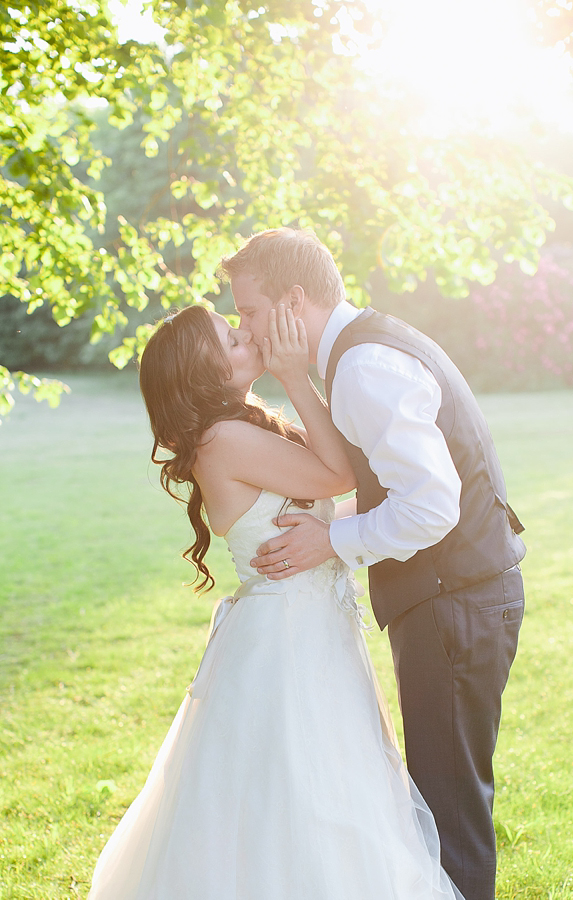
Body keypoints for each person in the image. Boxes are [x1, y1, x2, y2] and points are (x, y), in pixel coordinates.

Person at [87, 303, 462, 899]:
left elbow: (322, 508)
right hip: (285, 643)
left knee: (329, 786)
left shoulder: (239, 429)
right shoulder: (224, 439)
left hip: (310, 631)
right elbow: (338, 475)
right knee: (297, 792)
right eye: (230, 340)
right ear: (204, 373)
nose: (246, 336)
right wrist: (294, 375)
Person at [220, 227, 526, 900]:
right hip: (458, 598)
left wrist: (334, 541)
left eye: (248, 312)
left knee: (450, 817)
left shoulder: (364, 369)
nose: (244, 326)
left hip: (456, 604)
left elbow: (431, 507)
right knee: (446, 803)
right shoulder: (365, 351)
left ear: (293, 302)